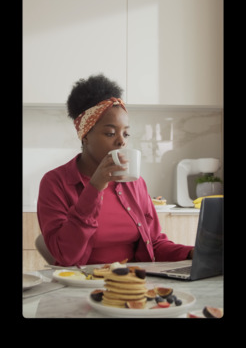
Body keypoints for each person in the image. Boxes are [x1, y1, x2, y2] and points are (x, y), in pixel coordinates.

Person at [37, 74, 194, 266]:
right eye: (110, 133)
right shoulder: (55, 183)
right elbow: (66, 256)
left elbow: (155, 244)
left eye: (125, 133)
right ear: (85, 135)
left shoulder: (134, 182)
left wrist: (193, 252)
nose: (122, 141)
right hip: (81, 287)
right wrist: (95, 187)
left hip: (132, 285)